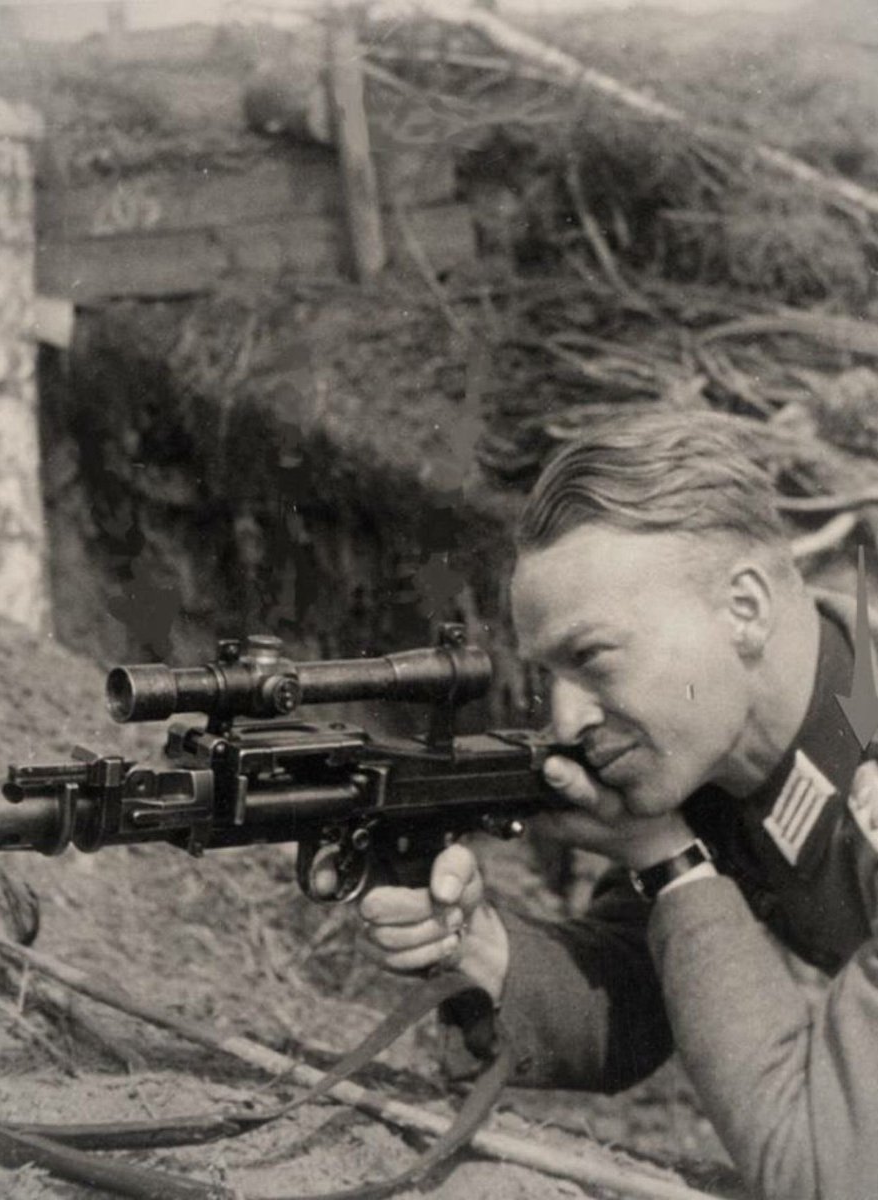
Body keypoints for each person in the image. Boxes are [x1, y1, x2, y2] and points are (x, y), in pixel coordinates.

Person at [347, 408, 878, 1200]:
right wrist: (479, 947)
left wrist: (673, 865)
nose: (568, 719)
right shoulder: (727, 746)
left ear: (743, 608)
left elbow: (820, 1172)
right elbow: (635, 995)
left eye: (594, 658)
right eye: (548, 677)